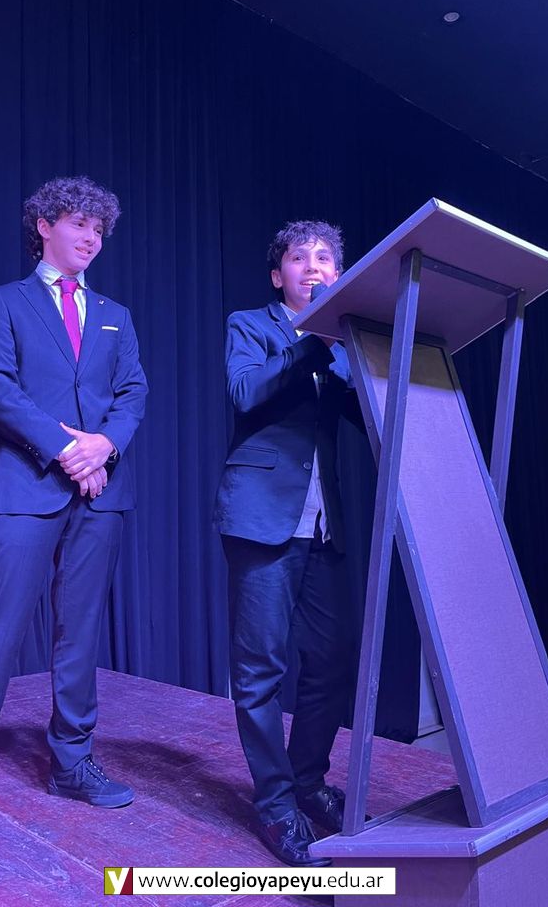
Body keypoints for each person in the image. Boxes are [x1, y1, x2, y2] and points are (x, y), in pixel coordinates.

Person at [0, 176, 147, 840]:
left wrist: (105, 446)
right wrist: (70, 451)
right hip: (26, 488)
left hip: (100, 493)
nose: (91, 238)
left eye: (99, 229)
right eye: (79, 223)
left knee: (79, 635)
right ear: (44, 226)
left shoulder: (116, 313)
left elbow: (133, 393)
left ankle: (72, 763)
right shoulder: (4, 302)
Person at [214, 220, 363, 866]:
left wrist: (363, 359)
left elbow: (369, 419)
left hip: (325, 524)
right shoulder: (251, 325)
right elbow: (246, 392)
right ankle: (275, 805)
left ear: (340, 274)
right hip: (261, 518)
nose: (313, 266)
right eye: (299, 258)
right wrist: (314, 342)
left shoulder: (346, 344)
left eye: (325, 258)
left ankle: (308, 781)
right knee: (260, 671)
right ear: (280, 276)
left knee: (333, 660)